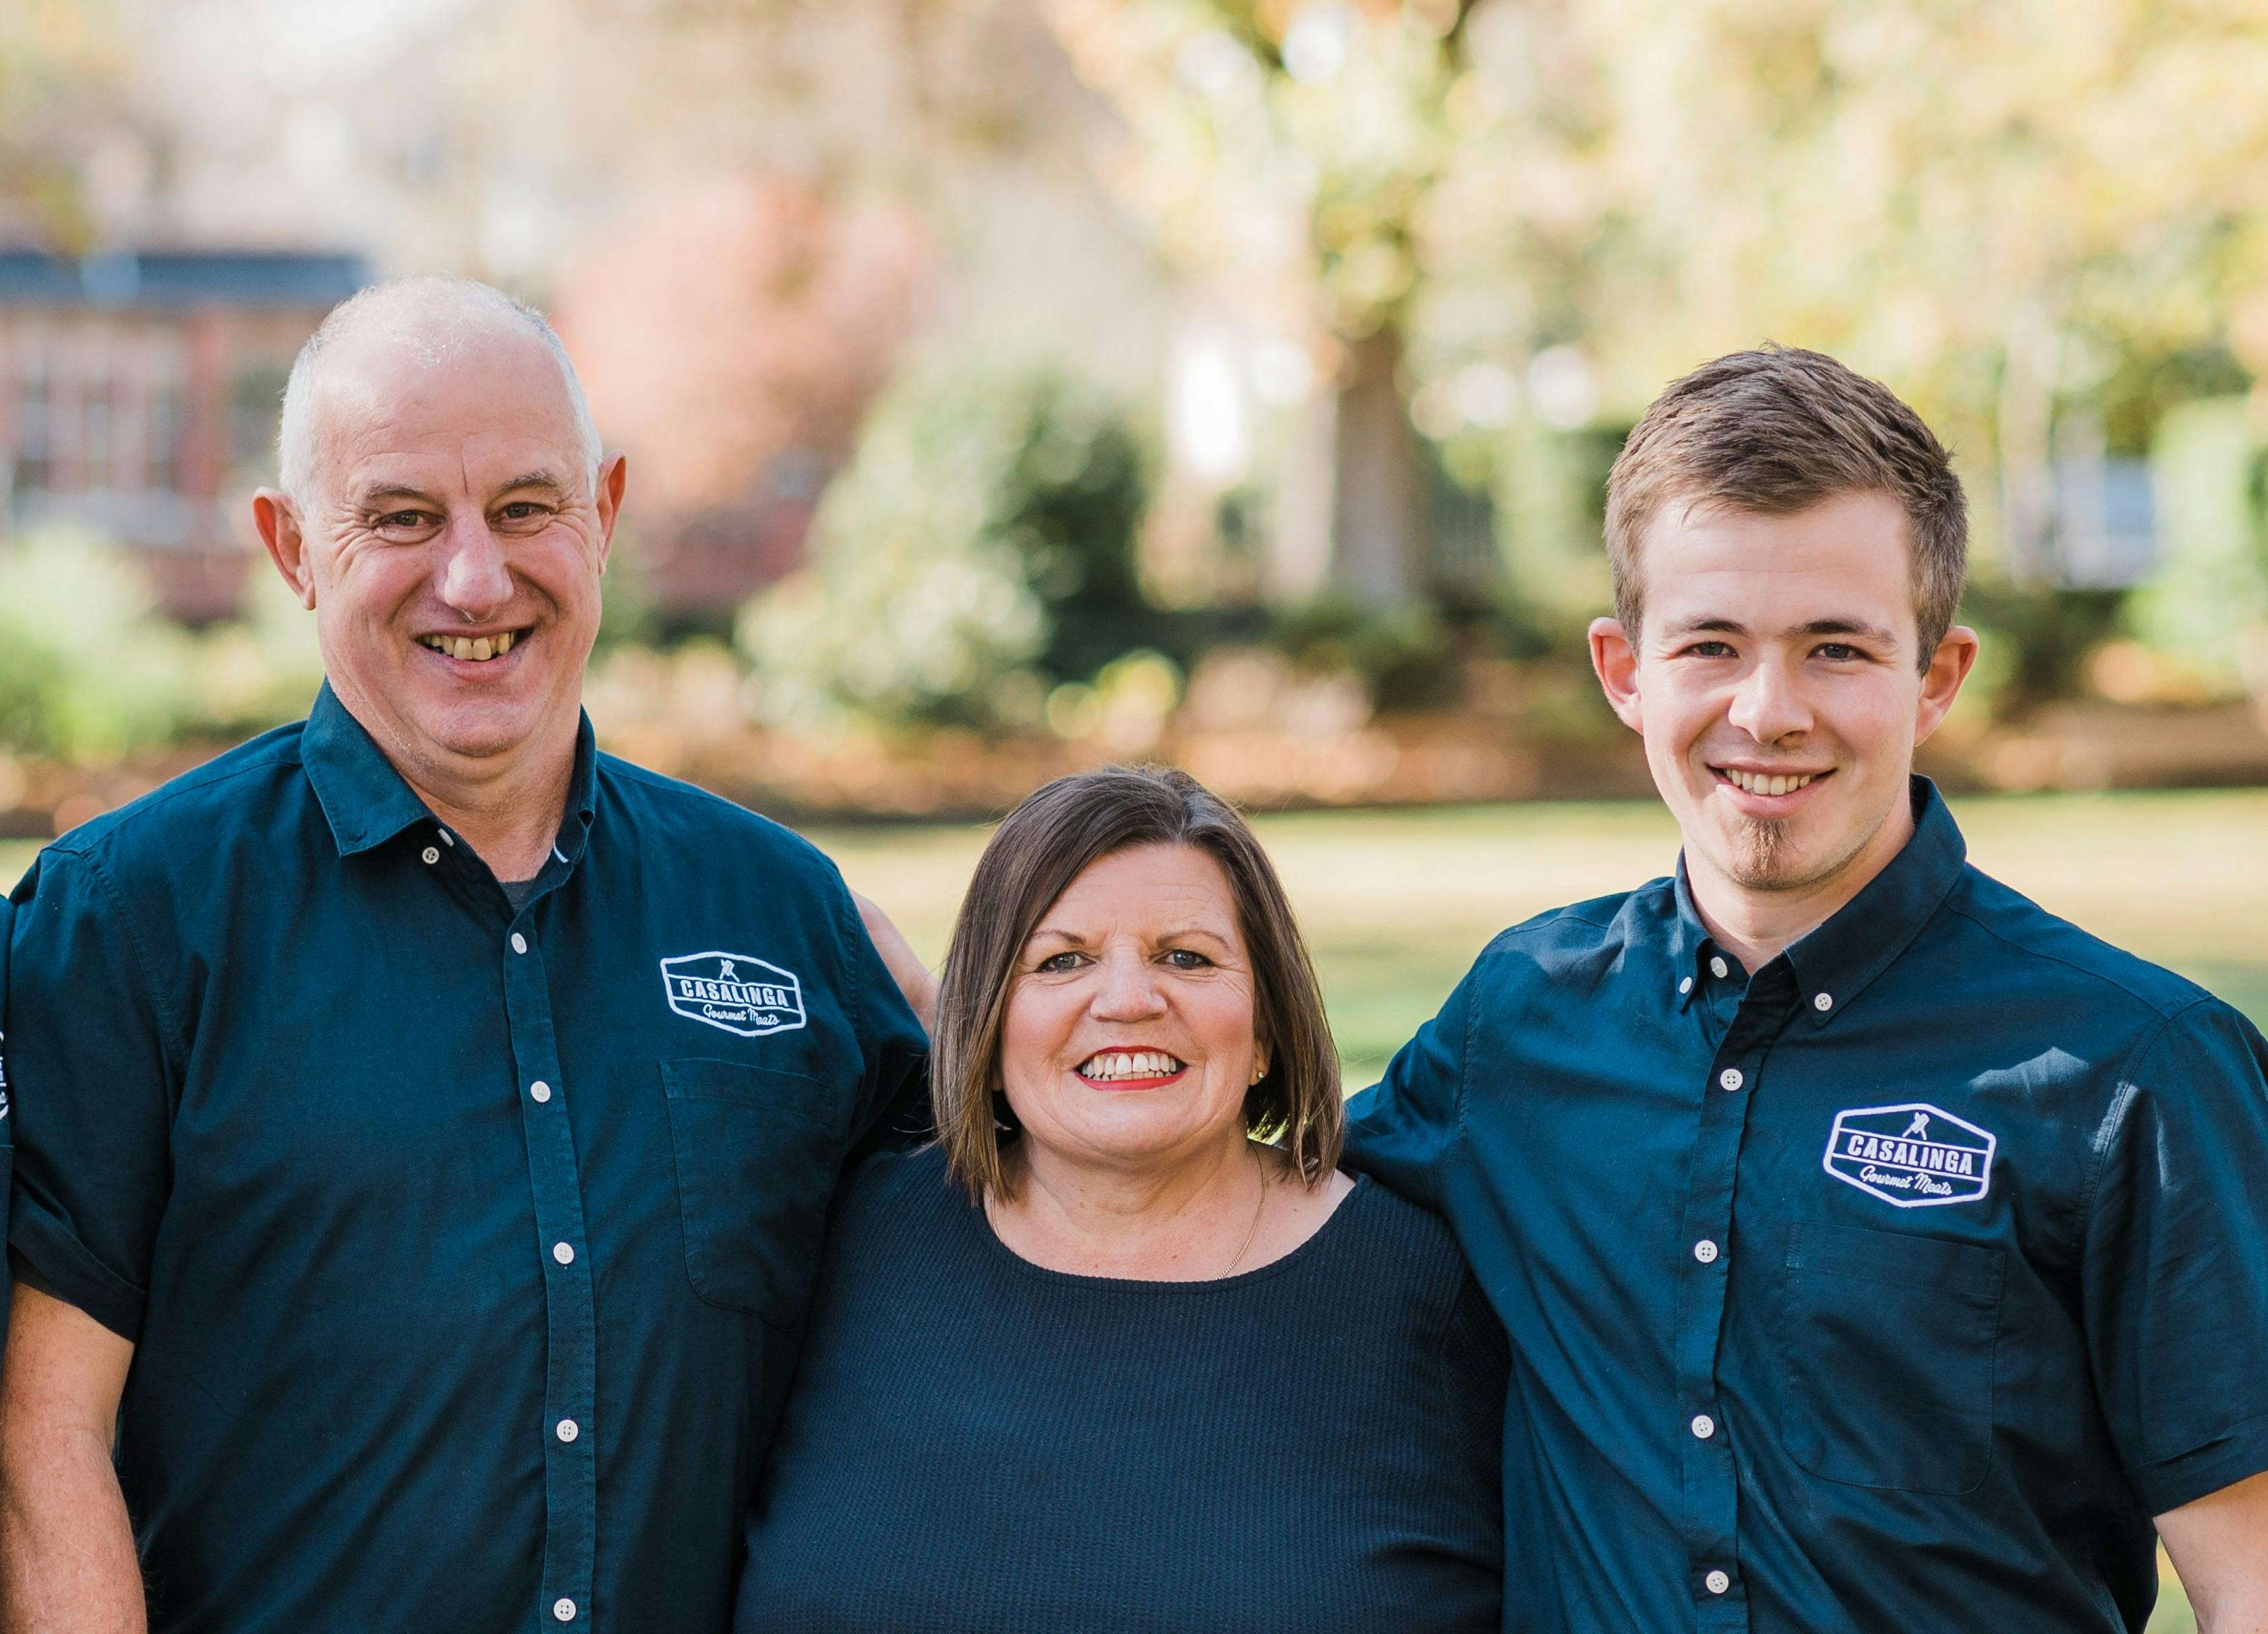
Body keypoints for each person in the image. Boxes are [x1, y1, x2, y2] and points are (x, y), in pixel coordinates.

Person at [0, 278, 926, 1633]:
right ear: (291, 548)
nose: (476, 579)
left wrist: (1000, 1029)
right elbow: (41, 1440)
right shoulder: (123, 922)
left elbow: (997, 1281)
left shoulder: (782, 914)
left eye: (527, 507)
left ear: (604, 512)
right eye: (401, 518)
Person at [1345, 347, 2268, 1631]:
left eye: (1836, 648)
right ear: (1624, 671)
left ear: (1936, 677)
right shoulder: (1517, 1022)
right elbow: (1232, 1203)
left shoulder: (2137, 1069)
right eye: (1710, 644)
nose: (1768, 712)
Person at [733, 765, 1507, 1634]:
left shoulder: (1435, 1289)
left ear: (1266, 1028)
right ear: (984, 1023)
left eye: (1187, 957)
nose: (1130, 1000)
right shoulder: (843, 1240)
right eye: (1062, 961)